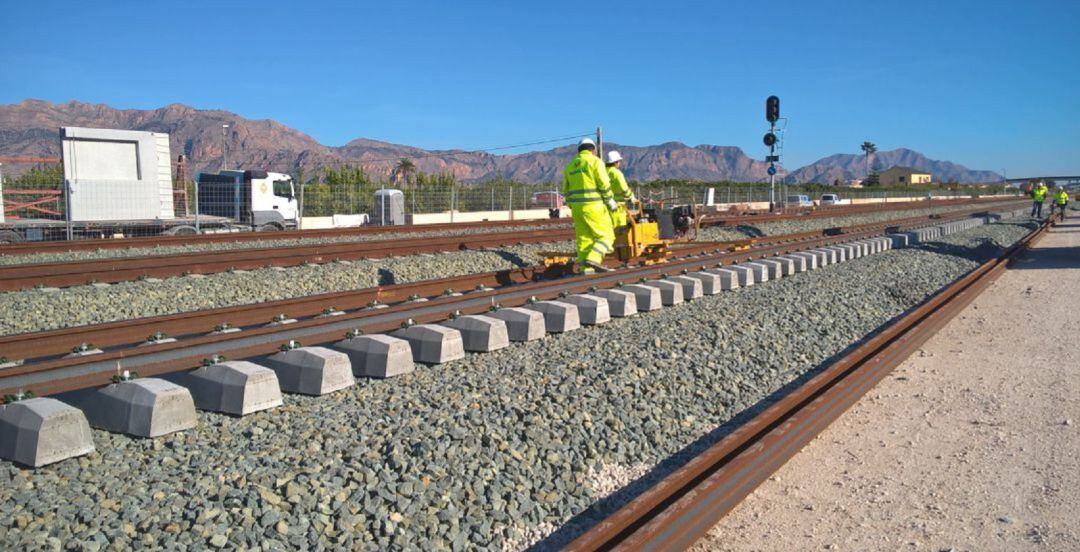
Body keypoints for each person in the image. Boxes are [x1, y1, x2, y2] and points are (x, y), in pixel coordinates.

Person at [562, 138, 616, 274]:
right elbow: (604, 184)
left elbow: (566, 192)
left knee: (584, 239)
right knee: (606, 236)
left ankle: (586, 269)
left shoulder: (570, 166)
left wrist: (573, 206)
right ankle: (594, 259)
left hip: (577, 210)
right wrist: (610, 201)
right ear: (593, 150)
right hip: (594, 207)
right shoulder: (595, 161)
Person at [605, 150, 636, 229]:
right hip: (617, 207)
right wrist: (631, 197)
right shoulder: (616, 173)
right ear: (616, 162)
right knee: (620, 231)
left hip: (605, 207)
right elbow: (624, 188)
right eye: (619, 161)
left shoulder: (603, 171)